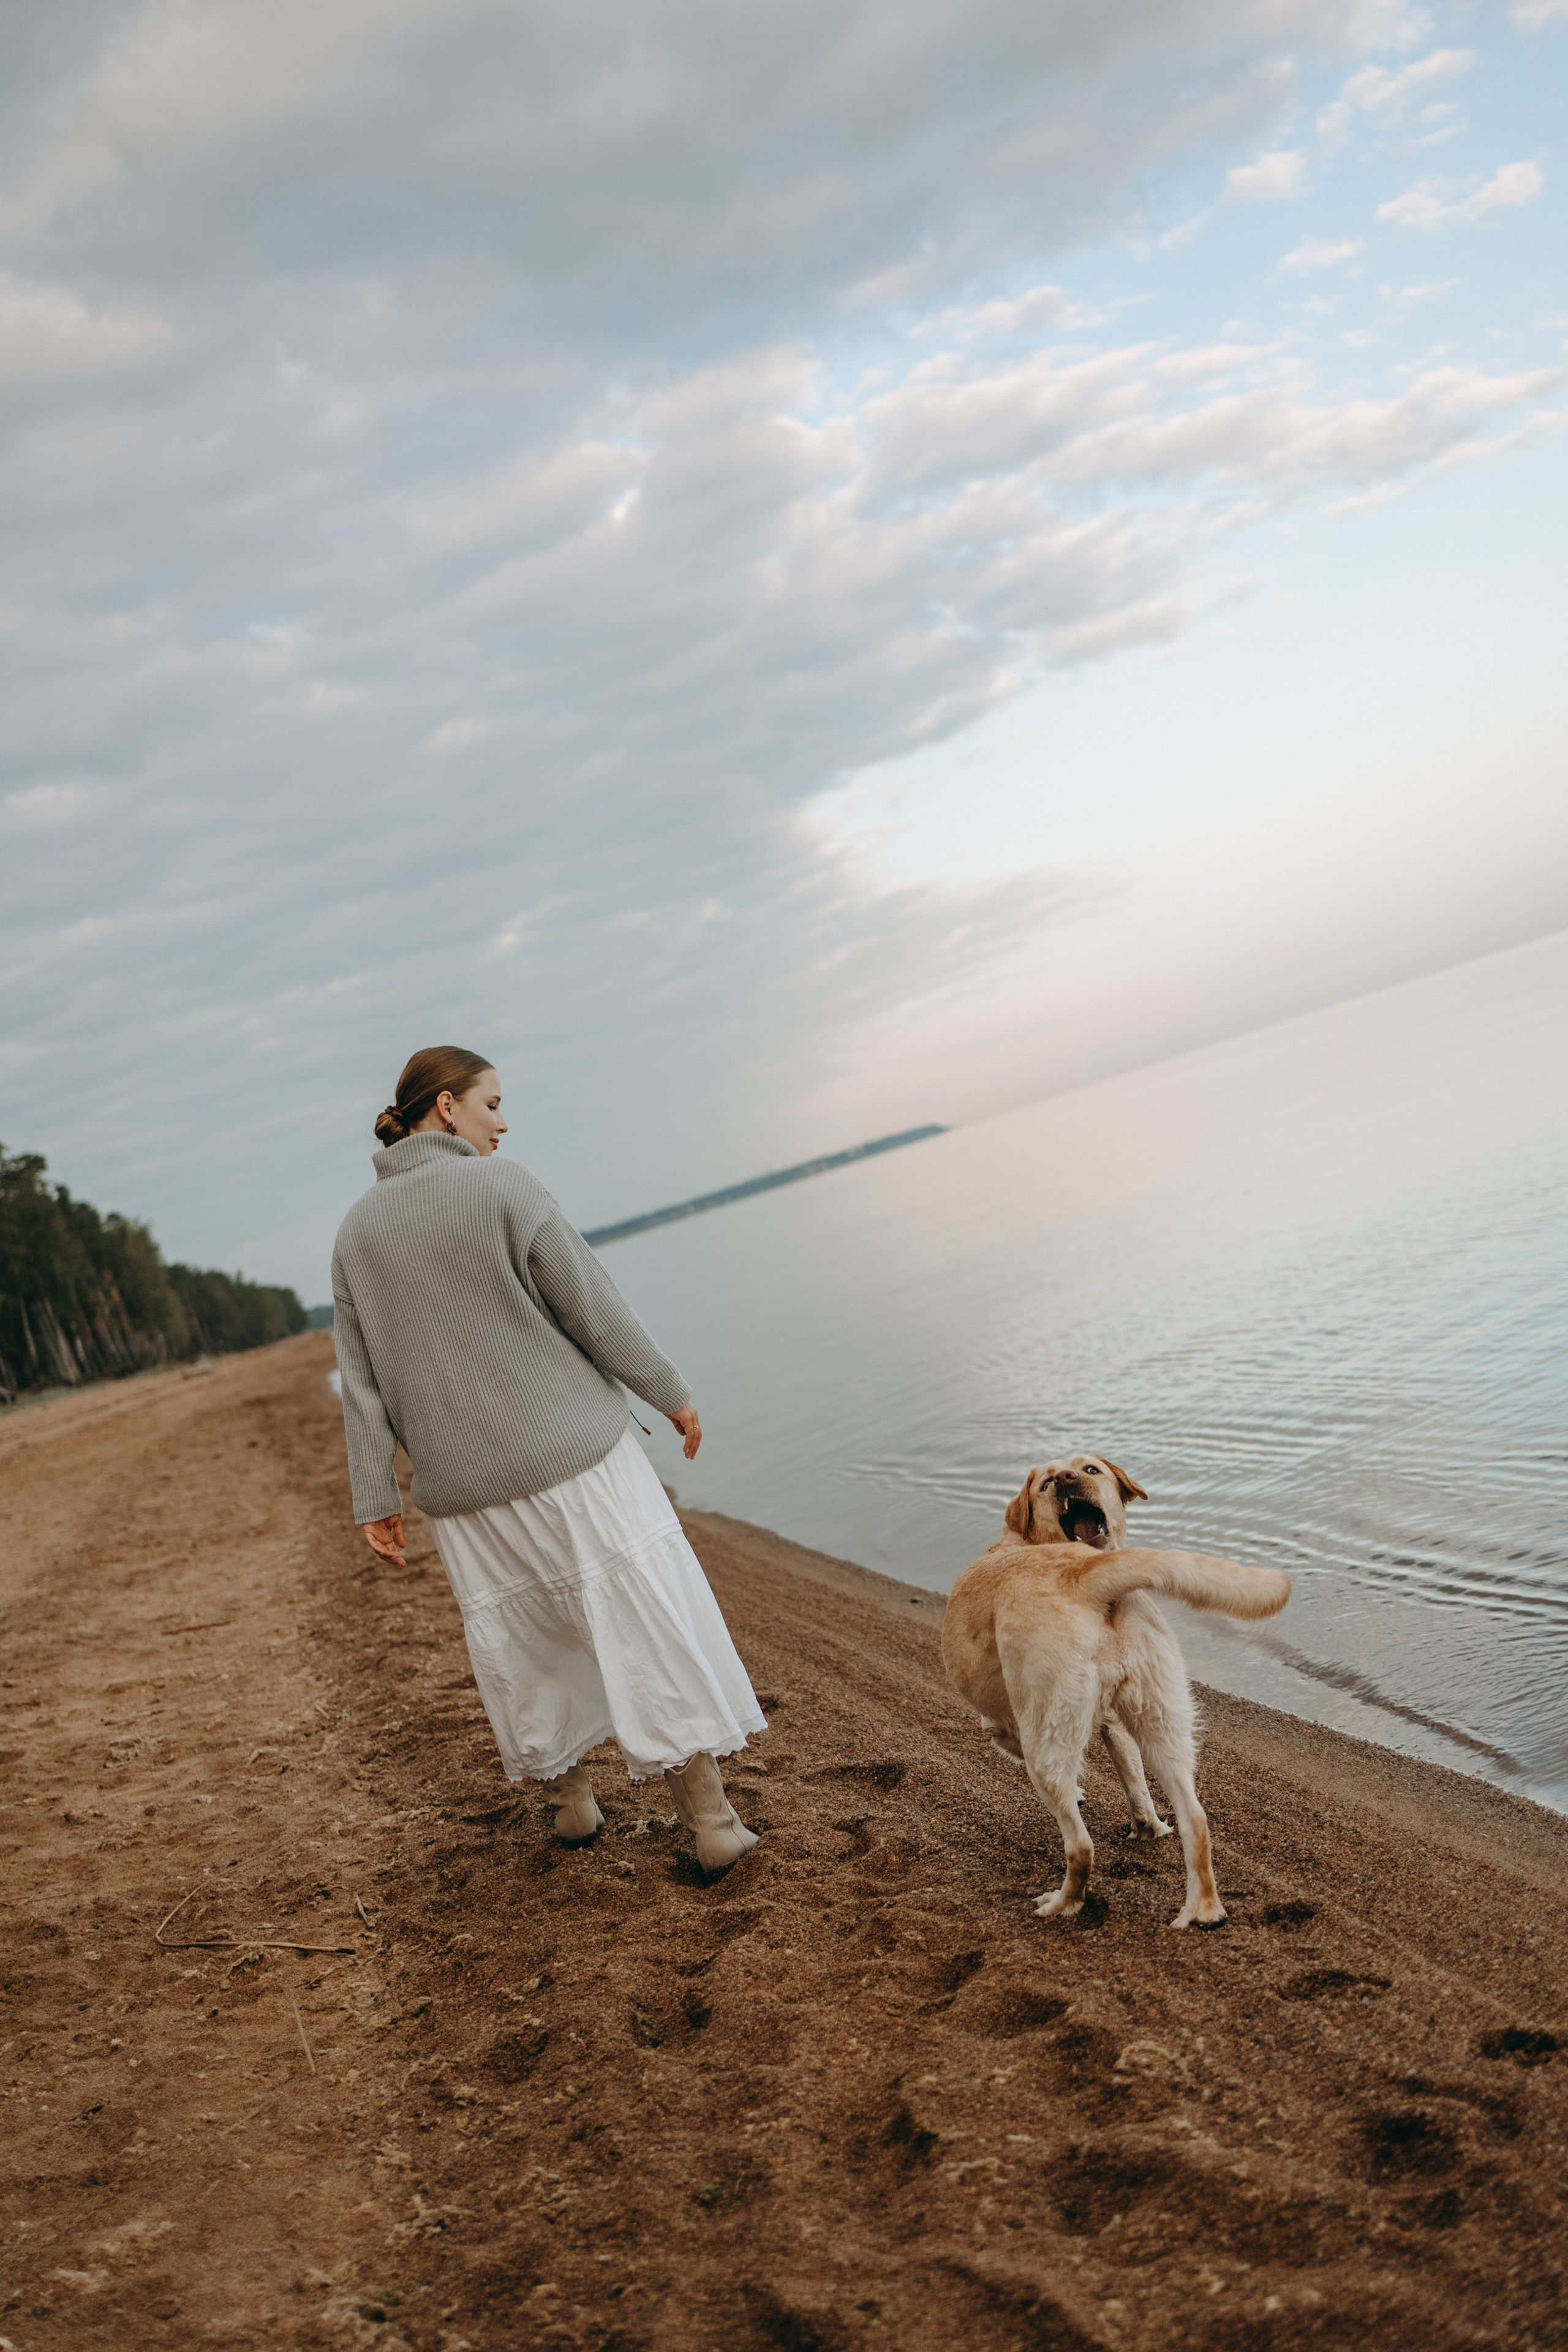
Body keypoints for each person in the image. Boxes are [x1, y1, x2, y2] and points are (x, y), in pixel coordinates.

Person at [331, 1045, 764, 1875]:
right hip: (576, 1463)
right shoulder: (504, 1185)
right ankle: (709, 1822)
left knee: (525, 1640)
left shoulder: (356, 1231)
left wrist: (373, 1495)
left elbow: (362, 1383)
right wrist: (668, 1391)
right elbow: (592, 1305)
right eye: (492, 1102)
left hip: (462, 1491)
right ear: (447, 1108)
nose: (504, 1120)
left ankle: (571, 1808)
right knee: (639, 1624)